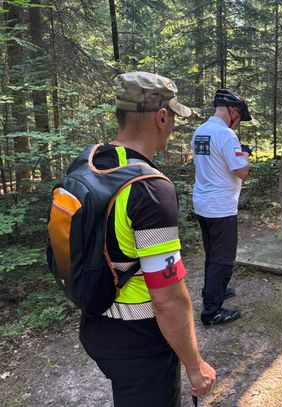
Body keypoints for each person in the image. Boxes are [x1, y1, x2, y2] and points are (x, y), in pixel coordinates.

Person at [79, 72, 216, 407]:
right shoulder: (149, 189)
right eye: (173, 118)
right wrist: (195, 365)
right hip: (140, 343)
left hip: (95, 325)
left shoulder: (89, 162)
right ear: (162, 117)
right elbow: (167, 299)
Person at [191, 89, 252, 326]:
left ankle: (214, 290)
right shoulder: (226, 134)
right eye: (240, 117)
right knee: (223, 258)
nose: (238, 123)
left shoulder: (200, 131)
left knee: (212, 252)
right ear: (233, 111)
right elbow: (241, 171)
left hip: (203, 202)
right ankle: (212, 312)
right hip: (221, 206)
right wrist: (245, 153)